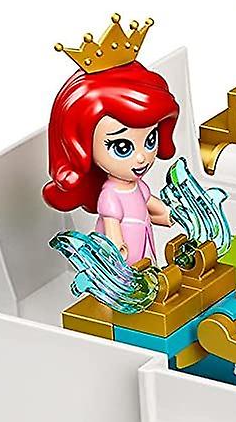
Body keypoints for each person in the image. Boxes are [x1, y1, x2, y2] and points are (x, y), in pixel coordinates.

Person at [43, 21, 180, 265]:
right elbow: (113, 231)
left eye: (150, 140)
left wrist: (174, 215)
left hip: (144, 248)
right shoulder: (110, 195)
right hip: (125, 257)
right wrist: (118, 252)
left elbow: (153, 208)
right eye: (122, 147)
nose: (142, 157)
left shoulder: (137, 187)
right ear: (83, 145)